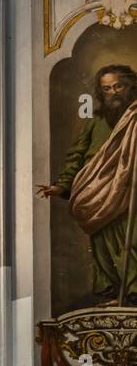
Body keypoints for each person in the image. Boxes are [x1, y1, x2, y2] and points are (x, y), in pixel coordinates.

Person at [38, 64, 137, 305]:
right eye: (106, 89)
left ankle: (133, 292)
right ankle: (113, 293)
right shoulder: (96, 121)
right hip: (98, 191)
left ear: (130, 87)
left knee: (130, 240)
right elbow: (77, 154)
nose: (112, 92)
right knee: (101, 243)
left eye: (118, 86)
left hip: (130, 191)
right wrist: (62, 185)